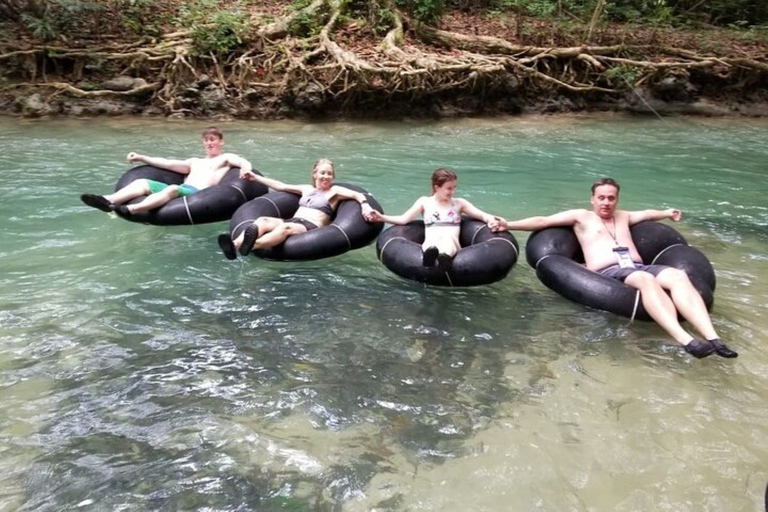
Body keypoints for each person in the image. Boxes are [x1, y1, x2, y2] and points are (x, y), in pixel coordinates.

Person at [500, 177, 737, 359]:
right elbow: (542, 221)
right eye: (601, 197)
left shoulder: (623, 216)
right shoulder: (581, 217)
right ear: (592, 199)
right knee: (645, 281)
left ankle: (713, 338)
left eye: (611, 198)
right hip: (610, 271)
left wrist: (667, 213)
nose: (606, 202)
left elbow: (648, 214)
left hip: (637, 265)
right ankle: (686, 341)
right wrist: (507, 224)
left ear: (617, 200)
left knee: (677, 275)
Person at [217, 158, 374, 260]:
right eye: (323, 173)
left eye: (330, 174)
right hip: (293, 220)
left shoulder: (335, 191)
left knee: (285, 228)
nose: (326, 176)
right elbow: (281, 186)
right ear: (315, 174)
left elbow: (356, 195)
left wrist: (366, 204)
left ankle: (253, 245)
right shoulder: (306, 189)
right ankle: (234, 245)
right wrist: (255, 178)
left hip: (310, 226)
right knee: (262, 220)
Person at [80, 126, 253, 217]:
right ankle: (106, 201)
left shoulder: (225, 158)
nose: (209, 143)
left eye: (213, 140)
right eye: (206, 140)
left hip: (199, 195)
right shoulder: (195, 161)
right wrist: (142, 157)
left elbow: (241, 161)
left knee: (172, 189)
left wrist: (247, 168)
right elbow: (168, 164)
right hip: (184, 190)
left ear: (221, 142)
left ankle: (132, 209)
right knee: (142, 183)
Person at [366, 167, 507, 272]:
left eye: (454, 188)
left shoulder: (459, 203)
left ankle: (444, 258)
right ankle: (430, 257)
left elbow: (481, 214)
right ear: (437, 187)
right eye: (449, 188)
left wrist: (491, 219)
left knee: (447, 243)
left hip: (452, 243)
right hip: (431, 241)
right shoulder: (424, 202)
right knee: (431, 244)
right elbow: (404, 219)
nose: (453, 192)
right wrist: (381, 217)